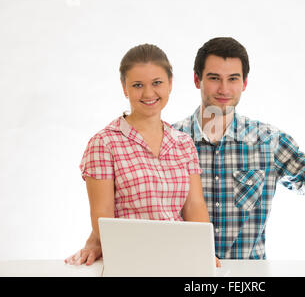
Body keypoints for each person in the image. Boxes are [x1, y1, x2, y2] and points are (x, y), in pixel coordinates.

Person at [69, 37, 305, 263]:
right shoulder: (173, 140)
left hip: (245, 276)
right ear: (197, 80)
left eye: (233, 79)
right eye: (214, 77)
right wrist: (99, 237)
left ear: (244, 83)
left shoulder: (268, 141)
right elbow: (136, 206)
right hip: (178, 270)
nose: (224, 88)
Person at [65, 43, 220, 266]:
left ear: (170, 84)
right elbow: (102, 218)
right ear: (124, 87)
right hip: (130, 260)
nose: (148, 93)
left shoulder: (183, 143)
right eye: (138, 85)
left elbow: (194, 206)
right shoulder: (104, 143)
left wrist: (204, 252)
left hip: (180, 259)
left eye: (157, 83)